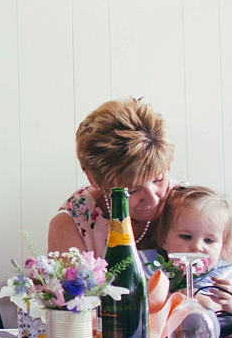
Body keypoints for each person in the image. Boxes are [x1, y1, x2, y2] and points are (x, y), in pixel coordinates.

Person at [48, 97, 174, 257]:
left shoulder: (194, 207)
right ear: (94, 180)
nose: (153, 199)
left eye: (159, 179)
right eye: (133, 190)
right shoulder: (72, 225)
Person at [146, 185, 232, 313]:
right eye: (186, 237)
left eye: (209, 240)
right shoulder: (155, 275)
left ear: (223, 247)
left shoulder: (227, 280)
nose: (197, 247)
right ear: (164, 239)